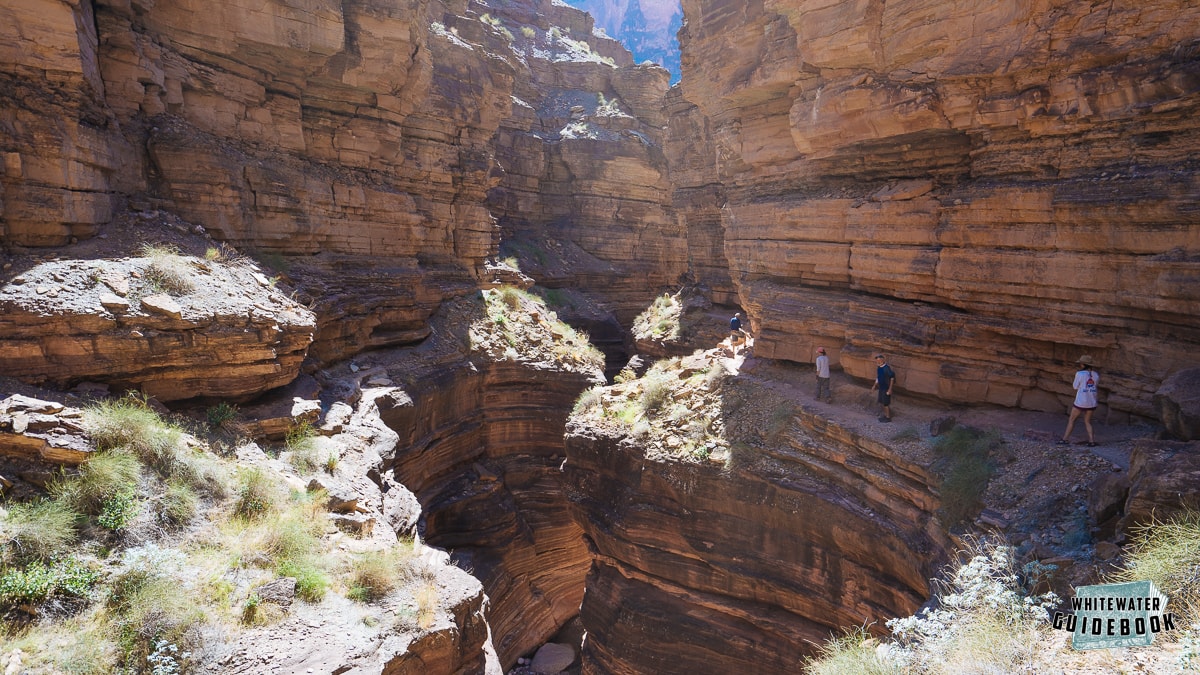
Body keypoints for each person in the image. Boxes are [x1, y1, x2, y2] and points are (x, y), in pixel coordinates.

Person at [1059, 356, 1099, 447]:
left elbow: (1075, 386)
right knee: (1088, 421)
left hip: (1081, 401)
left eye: (1081, 363)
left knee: (1072, 420)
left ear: (1083, 364)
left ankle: (1065, 439)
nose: (1080, 365)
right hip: (1092, 401)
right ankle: (1091, 441)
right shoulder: (1096, 375)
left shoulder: (1080, 374)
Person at [871, 353, 896, 422]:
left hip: (886, 388)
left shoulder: (886, 368)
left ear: (882, 360)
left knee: (886, 403)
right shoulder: (879, 368)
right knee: (882, 402)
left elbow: (892, 378)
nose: (877, 362)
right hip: (881, 388)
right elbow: (878, 377)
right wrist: (874, 385)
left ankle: (888, 417)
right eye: (876, 361)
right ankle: (885, 415)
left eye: (879, 360)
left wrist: (890, 389)